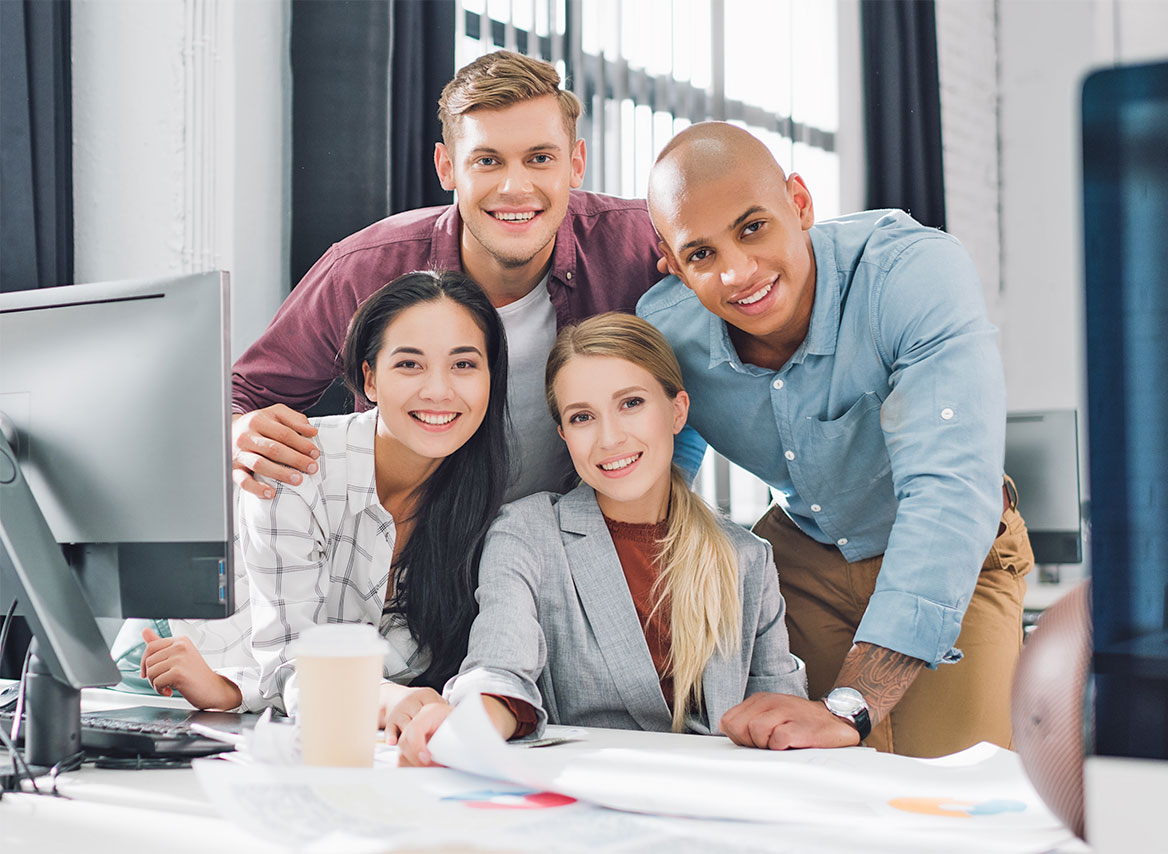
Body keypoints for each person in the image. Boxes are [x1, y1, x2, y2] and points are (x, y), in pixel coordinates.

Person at [638, 122, 1034, 758]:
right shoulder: (664, 331)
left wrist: (853, 704)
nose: (738, 273)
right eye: (701, 254)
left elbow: (950, 490)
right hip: (800, 556)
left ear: (799, 203)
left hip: (956, 545)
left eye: (752, 227)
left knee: (956, 780)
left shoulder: (910, 272)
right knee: (799, 775)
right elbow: (651, 481)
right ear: (673, 263)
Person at [231, 50, 662, 505]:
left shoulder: (642, 244)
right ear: (447, 167)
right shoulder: (364, 268)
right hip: (411, 546)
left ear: (575, 163)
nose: (515, 188)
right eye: (487, 161)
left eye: (539, 158)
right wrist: (240, 432)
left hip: (571, 546)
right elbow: (244, 394)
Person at [390, 313, 806, 765]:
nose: (609, 438)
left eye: (631, 403)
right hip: (583, 793)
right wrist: (473, 723)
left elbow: (783, 712)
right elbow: (498, 666)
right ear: (564, 434)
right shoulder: (527, 532)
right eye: (583, 416)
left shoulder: (747, 558)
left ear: (677, 411)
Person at [138, 271, 509, 722]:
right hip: (171, 662)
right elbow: (293, 661)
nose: (438, 390)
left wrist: (235, 692)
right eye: (409, 364)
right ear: (369, 380)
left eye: (464, 364)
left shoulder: (483, 508)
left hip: (253, 701)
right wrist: (386, 700)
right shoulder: (296, 467)